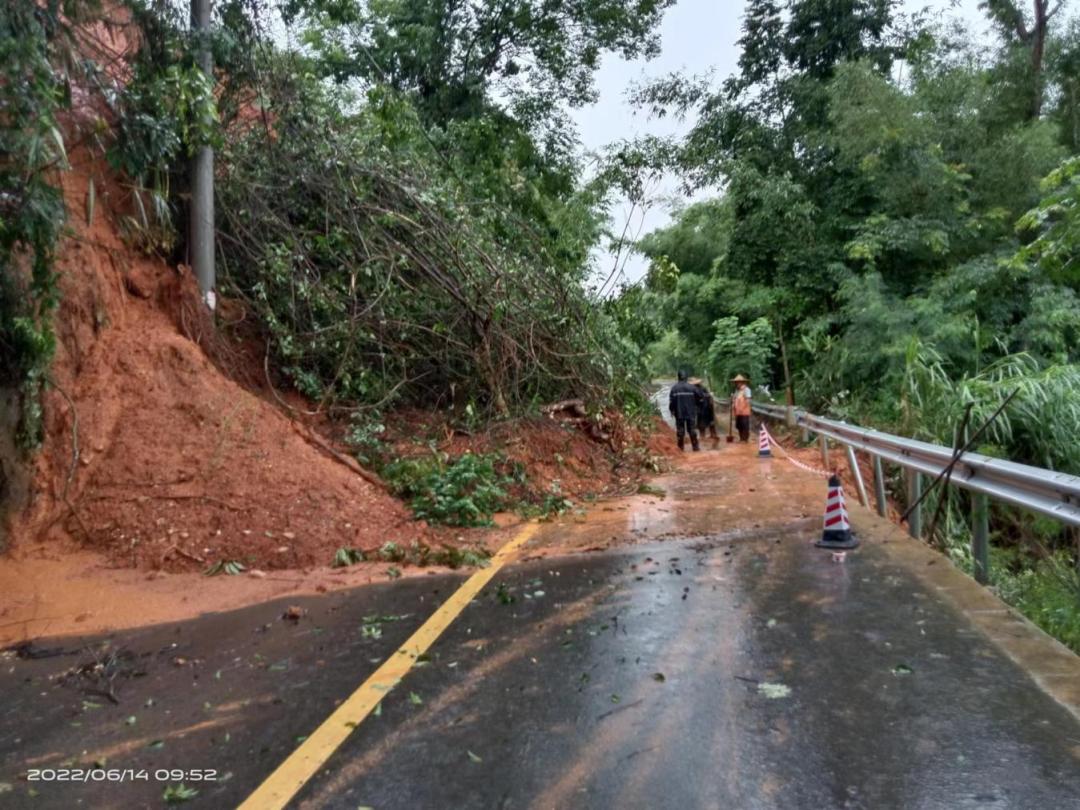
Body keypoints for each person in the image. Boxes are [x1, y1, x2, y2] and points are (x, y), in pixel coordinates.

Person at [668, 370, 704, 451]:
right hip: (691, 412)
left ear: (678, 377)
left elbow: (671, 402)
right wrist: (698, 407)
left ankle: (680, 448)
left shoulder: (674, 388)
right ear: (686, 378)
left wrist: (672, 410)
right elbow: (700, 398)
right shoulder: (692, 387)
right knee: (692, 430)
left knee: (680, 431)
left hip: (679, 413)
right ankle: (695, 447)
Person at [689, 377, 719, 447]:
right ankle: (713, 434)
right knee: (711, 421)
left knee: (701, 424)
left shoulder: (694, 390)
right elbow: (709, 397)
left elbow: (695, 400)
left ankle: (703, 437)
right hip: (708, 407)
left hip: (702, 408)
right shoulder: (703, 388)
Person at [731, 374, 752, 442]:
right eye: (736, 382)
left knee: (745, 425)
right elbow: (735, 399)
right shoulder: (737, 391)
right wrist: (733, 405)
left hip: (744, 412)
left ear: (742, 382)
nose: (736, 383)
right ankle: (741, 438)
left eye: (738, 382)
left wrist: (742, 408)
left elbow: (748, 400)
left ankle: (745, 439)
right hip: (737, 412)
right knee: (739, 425)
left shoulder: (747, 390)